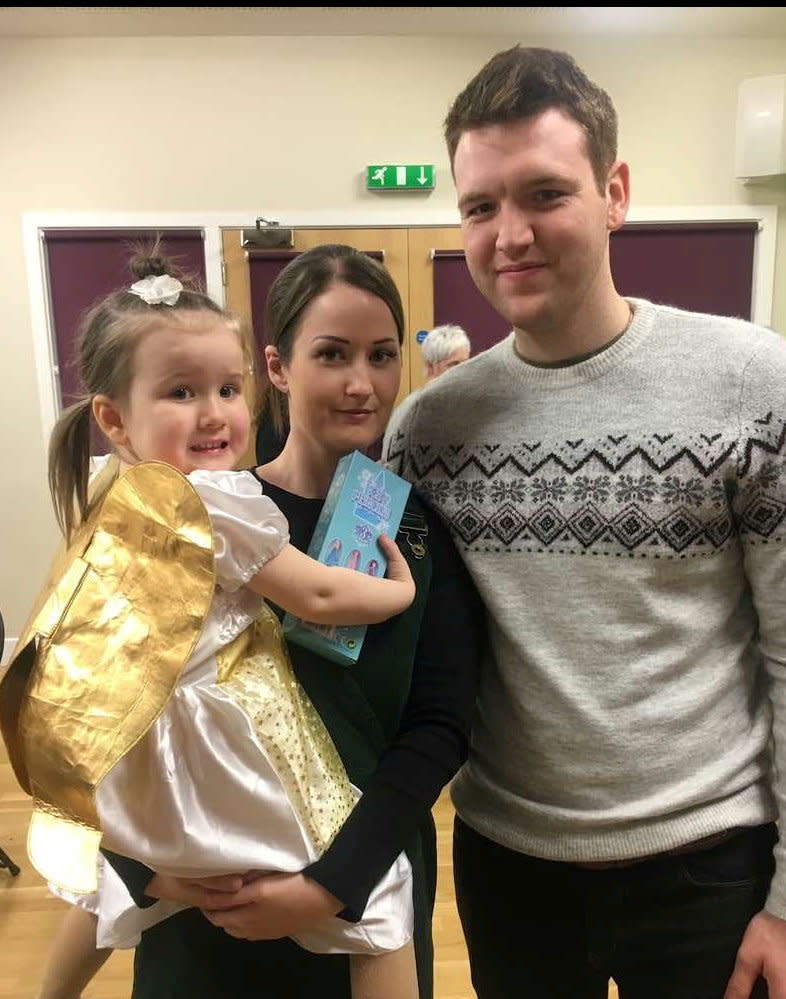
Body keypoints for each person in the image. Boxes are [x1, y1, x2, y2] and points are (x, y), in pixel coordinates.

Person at [384, 44, 786, 999]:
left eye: (544, 194)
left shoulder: (750, 382)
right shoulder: (427, 428)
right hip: (508, 866)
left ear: (615, 192)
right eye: (480, 206)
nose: (508, 234)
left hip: (709, 868)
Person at [36, 242, 482, 999]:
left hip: (358, 876)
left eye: (381, 355)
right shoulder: (195, 509)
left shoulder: (414, 531)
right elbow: (101, 706)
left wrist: (332, 884)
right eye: (331, 353)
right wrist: (159, 871)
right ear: (277, 367)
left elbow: (440, 725)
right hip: (200, 912)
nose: (359, 382)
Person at [382, 323, 470, 456]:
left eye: (466, 363)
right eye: (454, 365)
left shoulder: (467, 405)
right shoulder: (412, 410)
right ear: (431, 367)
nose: (463, 371)